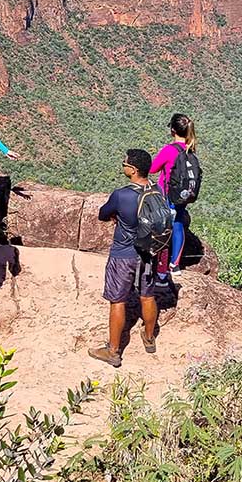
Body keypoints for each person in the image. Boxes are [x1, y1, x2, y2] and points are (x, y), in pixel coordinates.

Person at [88, 149, 160, 367]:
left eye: (125, 163)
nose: (123, 165)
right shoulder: (157, 191)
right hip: (149, 252)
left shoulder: (122, 195)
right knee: (147, 296)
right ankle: (149, 338)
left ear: (133, 170)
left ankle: (113, 351)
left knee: (117, 300)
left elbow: (103, 213)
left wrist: (117, 215)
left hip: (123, 254)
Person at [150, 113, 197, 275]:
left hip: (167, 193)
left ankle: (159, 265)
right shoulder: (191, 149)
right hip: (183, 196)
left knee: (161, 226)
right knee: (178, 224)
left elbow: (153, 169)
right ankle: (174, 264)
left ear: (172, 130)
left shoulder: (169, 150)